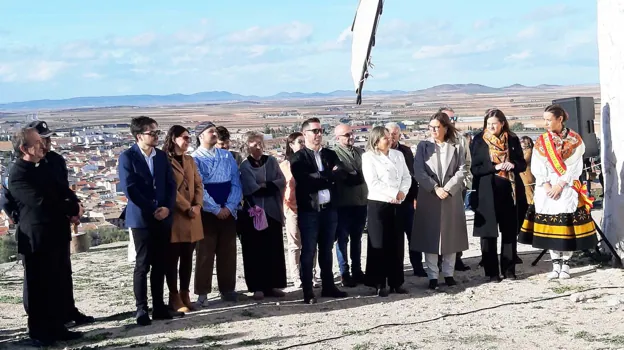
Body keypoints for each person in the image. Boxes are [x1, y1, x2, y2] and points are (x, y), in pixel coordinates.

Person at [3, 120, 94, 326]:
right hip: (36, 236)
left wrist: (75, 206)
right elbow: (41, 202)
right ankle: (41, 330)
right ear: (25, 148)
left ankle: (60, 320)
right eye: (39, 141)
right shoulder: (18, 172)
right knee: (38, 285)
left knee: (58, 277)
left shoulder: (46, 164)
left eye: (44, 140)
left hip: (55, 230)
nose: (44, 145)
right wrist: (70, 208)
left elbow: (60, 190)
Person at [519, 104, 598, 280]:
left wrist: (560, 184)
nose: (546, 123)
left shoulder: (575, 140)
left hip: (566, 186)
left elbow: (575, 167)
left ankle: (567, 265)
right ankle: (555, 264)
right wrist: (546, 185)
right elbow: (538, 165)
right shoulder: (541, 141)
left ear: (559, 119)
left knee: (565, 226)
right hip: (545, 187)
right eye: (544, 120)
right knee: (550, 228)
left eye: (549, 120)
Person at [118, 116, 180, 326]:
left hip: (163, 217)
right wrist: (153, 209)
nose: (155, 136)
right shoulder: (128, 157)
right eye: (151, 133)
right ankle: (141, 308)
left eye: (156, 133)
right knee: (143, 264)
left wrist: (167, 208)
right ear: (139, 135)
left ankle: (159, 307)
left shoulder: (161, 156)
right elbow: (130, 189)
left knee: (161, 263)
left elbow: (171, 185)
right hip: (141, 219)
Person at [290, 117, 348, 304]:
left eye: (320, 131)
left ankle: (329, 286)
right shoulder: (298, 157)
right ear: (305, 134)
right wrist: (328, 175)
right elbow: (306, 181)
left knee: (326, 249)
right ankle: (308, 290)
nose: (318, 134)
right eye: (314, 131)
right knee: (308, 251)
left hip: (329, 210)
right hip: (310, 211)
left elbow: (342, 174)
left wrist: (323, 177)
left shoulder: (330, 154)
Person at [411, 113, 469, 290]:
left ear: (445, 127)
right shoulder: (423, 146)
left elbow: (463, 168)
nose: (433, 130)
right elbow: (418, 170)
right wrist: (435, 188)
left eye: (437, 127)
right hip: (430, 196)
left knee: (450, 236)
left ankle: (449, 273)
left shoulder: (457, 146)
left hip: (451, 196)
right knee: (431, 236)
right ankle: (433, 276)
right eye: (431, 127)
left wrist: (449, 188)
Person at [470, 109, 527, 282]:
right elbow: (475, 169)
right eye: (488, 124)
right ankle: (492, 272)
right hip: (487, 191)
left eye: (495, 123)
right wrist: (493, 168)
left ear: (502, 123)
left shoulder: (513, 139)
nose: (491, 126)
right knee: (488, 233)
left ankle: (509, 270)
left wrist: (513, 165)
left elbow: (522, 164)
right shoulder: (479, 141)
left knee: (509, 231)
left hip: (509, 191)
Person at [192, 122, 243, 304]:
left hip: (228, 210)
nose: (214, 134)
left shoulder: (226, 155)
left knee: (228, 251)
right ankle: (202, 292)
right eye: (210, 131)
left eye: (214, 131)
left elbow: (236, 182)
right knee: (205, 252)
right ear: (200, 136)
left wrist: (229, 206)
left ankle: (228, 289)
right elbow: (199, 186)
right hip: (207, 212)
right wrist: (214, 208)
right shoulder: (194, 158)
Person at [362, 126, 412, 296]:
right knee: (379, 243)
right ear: (376, 141)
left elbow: (407, 176)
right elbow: (373, 182)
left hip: (398, 203)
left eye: (390, 137)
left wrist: (402, 193)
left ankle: (396, 281)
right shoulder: (369, 158)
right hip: (379, 204)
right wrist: (392, 193)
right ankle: (378, 282)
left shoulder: (398, 155)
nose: (389, 139)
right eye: (385, 138)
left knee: (397, 242)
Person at [238, 132, 288, 300]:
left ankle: (272, 285)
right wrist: (268, 185)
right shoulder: (245, 166)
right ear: (247, 146)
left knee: (273, 249)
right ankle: (257, 286)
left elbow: (281, 181)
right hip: (255, 214)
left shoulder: (272, 161)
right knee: (255, 251)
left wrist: (265, 185)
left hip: (272, 212)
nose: (257, 147)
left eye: (259, 143)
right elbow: (251, 187)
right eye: (253, 144)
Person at [162, 125, 204, 313]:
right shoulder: (164, 161)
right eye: (184, 137)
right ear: (173, 139)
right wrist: (187, 207)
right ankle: (174, 296)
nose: (187, 141)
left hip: (192, 216)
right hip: (176, 215)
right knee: (172, 258)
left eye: (189, 138)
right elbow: (169, 189)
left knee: (188, 257)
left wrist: (197, 205)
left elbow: (198, 184)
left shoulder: (190, 160)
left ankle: (185, 293)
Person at [280, 132, 320, 289]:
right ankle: (296, 276)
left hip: (310, 207)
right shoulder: (284, 166)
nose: (303, 145)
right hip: (292, 208)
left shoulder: (312, 162)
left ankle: (312, 275)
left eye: (304, 142)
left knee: (311, 243)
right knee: (295, 244)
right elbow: (281, 188)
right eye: (299, 142)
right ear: (291, 145)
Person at [386, 122, 426, 277]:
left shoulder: (406, 151)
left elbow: (412, 175)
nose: (392, 136)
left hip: (408, 200)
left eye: (396, 133)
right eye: (389, 132)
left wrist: (415, 197)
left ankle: (418, 266)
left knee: (413, 236)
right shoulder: (380, 153)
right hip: (390, 202)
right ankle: (397, 269)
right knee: (395, 239)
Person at [333, 124, 368, 287]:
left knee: (357, 238)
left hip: (361, 202)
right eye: (346, 135)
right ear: (337, 138)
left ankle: (357, 270)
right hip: (344, 204)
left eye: (351, 134)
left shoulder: (360, 153)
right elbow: (342, 175)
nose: (350, 137)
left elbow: (364, 173)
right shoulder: (334, 154)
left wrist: (354, 174)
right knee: (342, 239)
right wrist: (352, 175)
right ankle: (344, 273)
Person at [438, 106, 471, 271]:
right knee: (438, 225)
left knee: (456, 225)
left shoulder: (460, 138)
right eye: (449, 118)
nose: (452, 121)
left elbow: (467, 162)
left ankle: (456, 258)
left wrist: (464, 182)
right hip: (437, 189)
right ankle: (437, 259)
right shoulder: (432, 139)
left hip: (457, 188)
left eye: (454, 118)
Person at [520, 136, 536, 205]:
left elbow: (524, 161)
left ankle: (531, 209)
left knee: (529, 193)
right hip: (525, 175)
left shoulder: (529, 151)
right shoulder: (526, 151)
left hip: (527, 175)